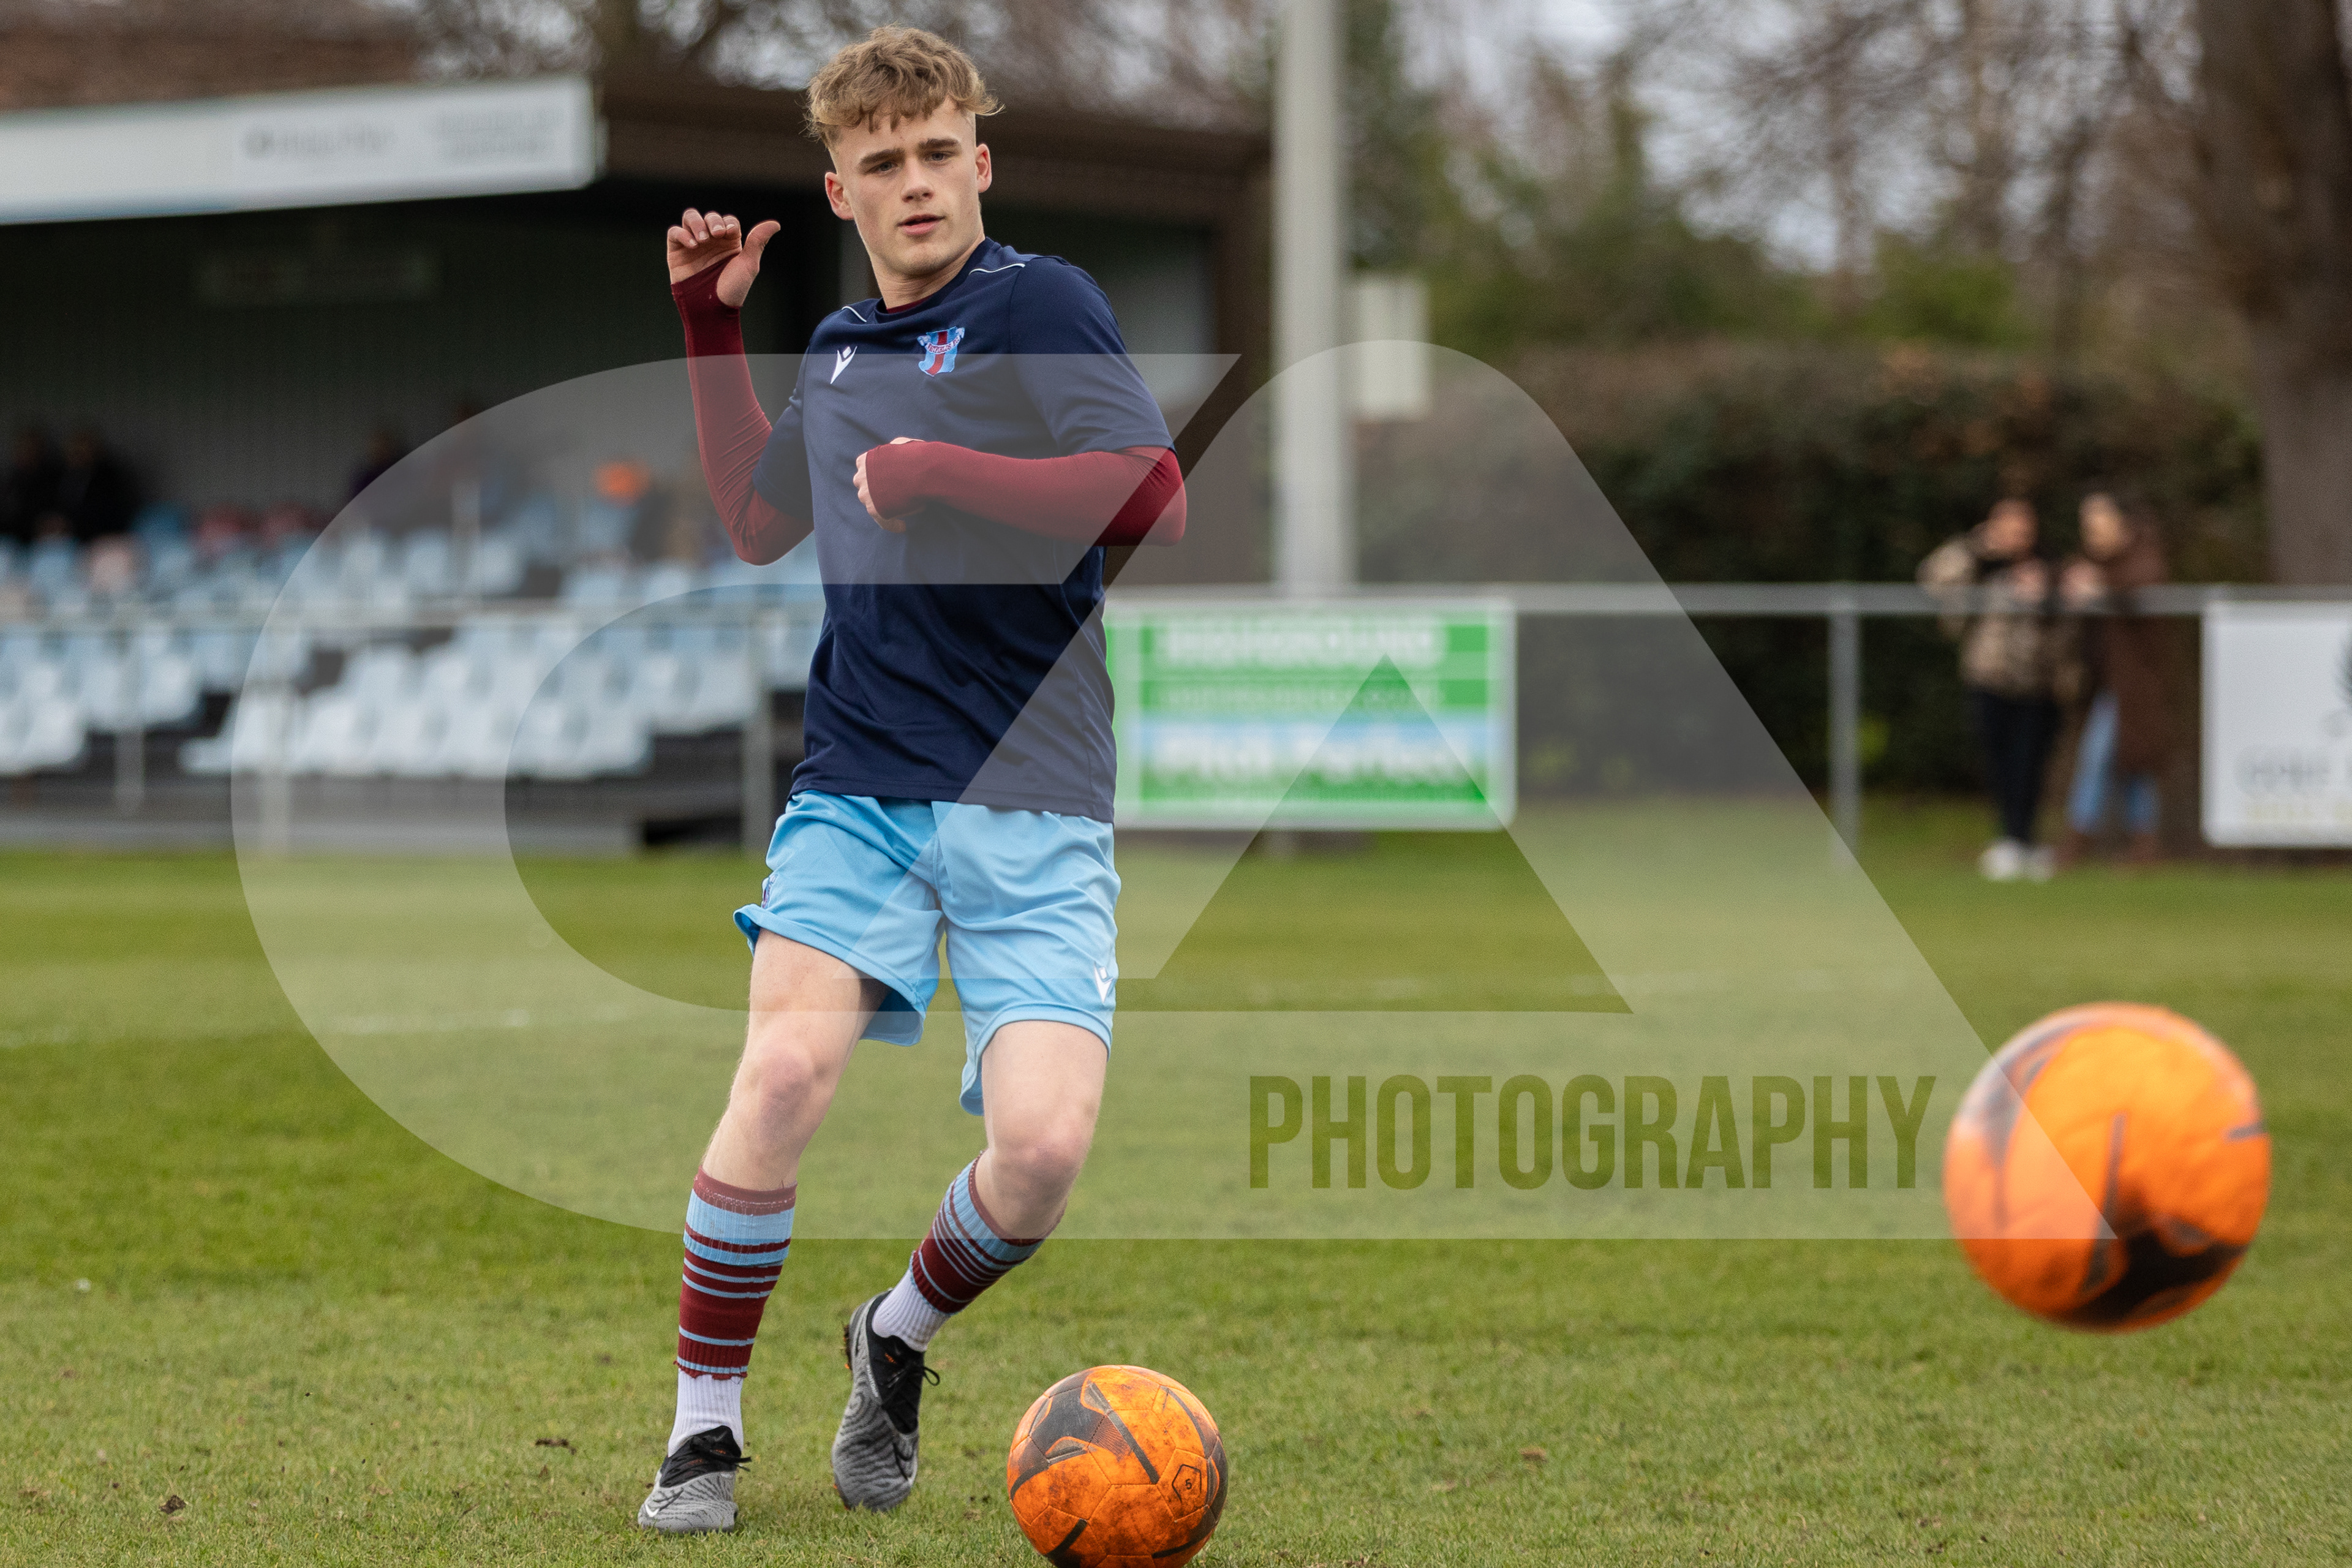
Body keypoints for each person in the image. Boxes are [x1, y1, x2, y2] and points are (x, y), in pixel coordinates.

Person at [635, 26, 1187, 1534]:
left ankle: (895, 1330)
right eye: (883, 162)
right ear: (841, 192)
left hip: (1037, 788)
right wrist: (704, 329)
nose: (917, 181)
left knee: (1041, 1153)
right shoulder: (834, 349)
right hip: (861, 782)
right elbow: (759, 522)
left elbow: (1148, 488)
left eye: (940, 152)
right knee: (781, 1074)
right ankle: (702, 1430)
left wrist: (945, 471)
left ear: (980, 163)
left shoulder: (1041, 302)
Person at [1919, 497, 2076, 882]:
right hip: (1989, 678)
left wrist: (2048, 590)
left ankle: (2025, 841)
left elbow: (2071, 620)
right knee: (1999, 762)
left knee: (2031, 764)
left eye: (2024, 528)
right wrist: (1977, 548)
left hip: (2040, 682)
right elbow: (1932, 578)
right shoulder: (1977, 563)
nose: (2017, 536)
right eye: (2008, 528)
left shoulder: (2050, 566)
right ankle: (2009, 839)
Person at [2059, 492, 2171, 865]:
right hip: (2103, 682)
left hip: (2132, 686)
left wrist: (2101, 585)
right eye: (2087, 525)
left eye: (2099, 523)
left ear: (2120, 522)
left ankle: (2075, 843)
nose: (2091, 532)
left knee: (2096, 758)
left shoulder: (2142, 555)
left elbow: (2143, 581)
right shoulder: (2091, 562)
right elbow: (2067, 579)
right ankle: (2144, 845)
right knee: (2132, 765)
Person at [51, 424, 140, 542]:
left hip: (98, 538)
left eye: (82, 450)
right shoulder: (59, 475)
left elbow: (107, 513)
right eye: (75, 451)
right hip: (62, 537)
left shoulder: (108, 478)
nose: (78, 456)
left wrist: (71, 525)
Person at [1, 424, 62, 545]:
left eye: (30, 448)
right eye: (22, 448)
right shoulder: (13, 478)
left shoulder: (52, 478)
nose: (25, 453)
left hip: (42, 540)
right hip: (13, 538)